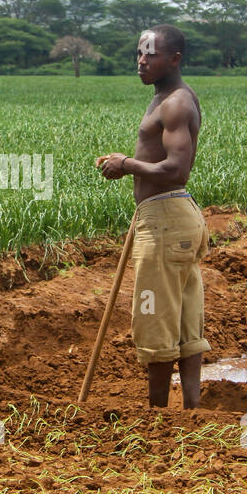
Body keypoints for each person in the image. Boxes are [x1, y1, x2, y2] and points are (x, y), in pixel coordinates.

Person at [94, 24, 208, 409]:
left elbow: (177, 168)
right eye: (139, 54)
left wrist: (126, 165)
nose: (141, 62)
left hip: (165, 221)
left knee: (154, 315)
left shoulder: (175, 102)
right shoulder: (165, 96)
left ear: (174, 59)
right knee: (183, 318)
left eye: (151, 54)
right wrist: (127, 165)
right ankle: (191, 408)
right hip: (171, 217)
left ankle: (157, 416)